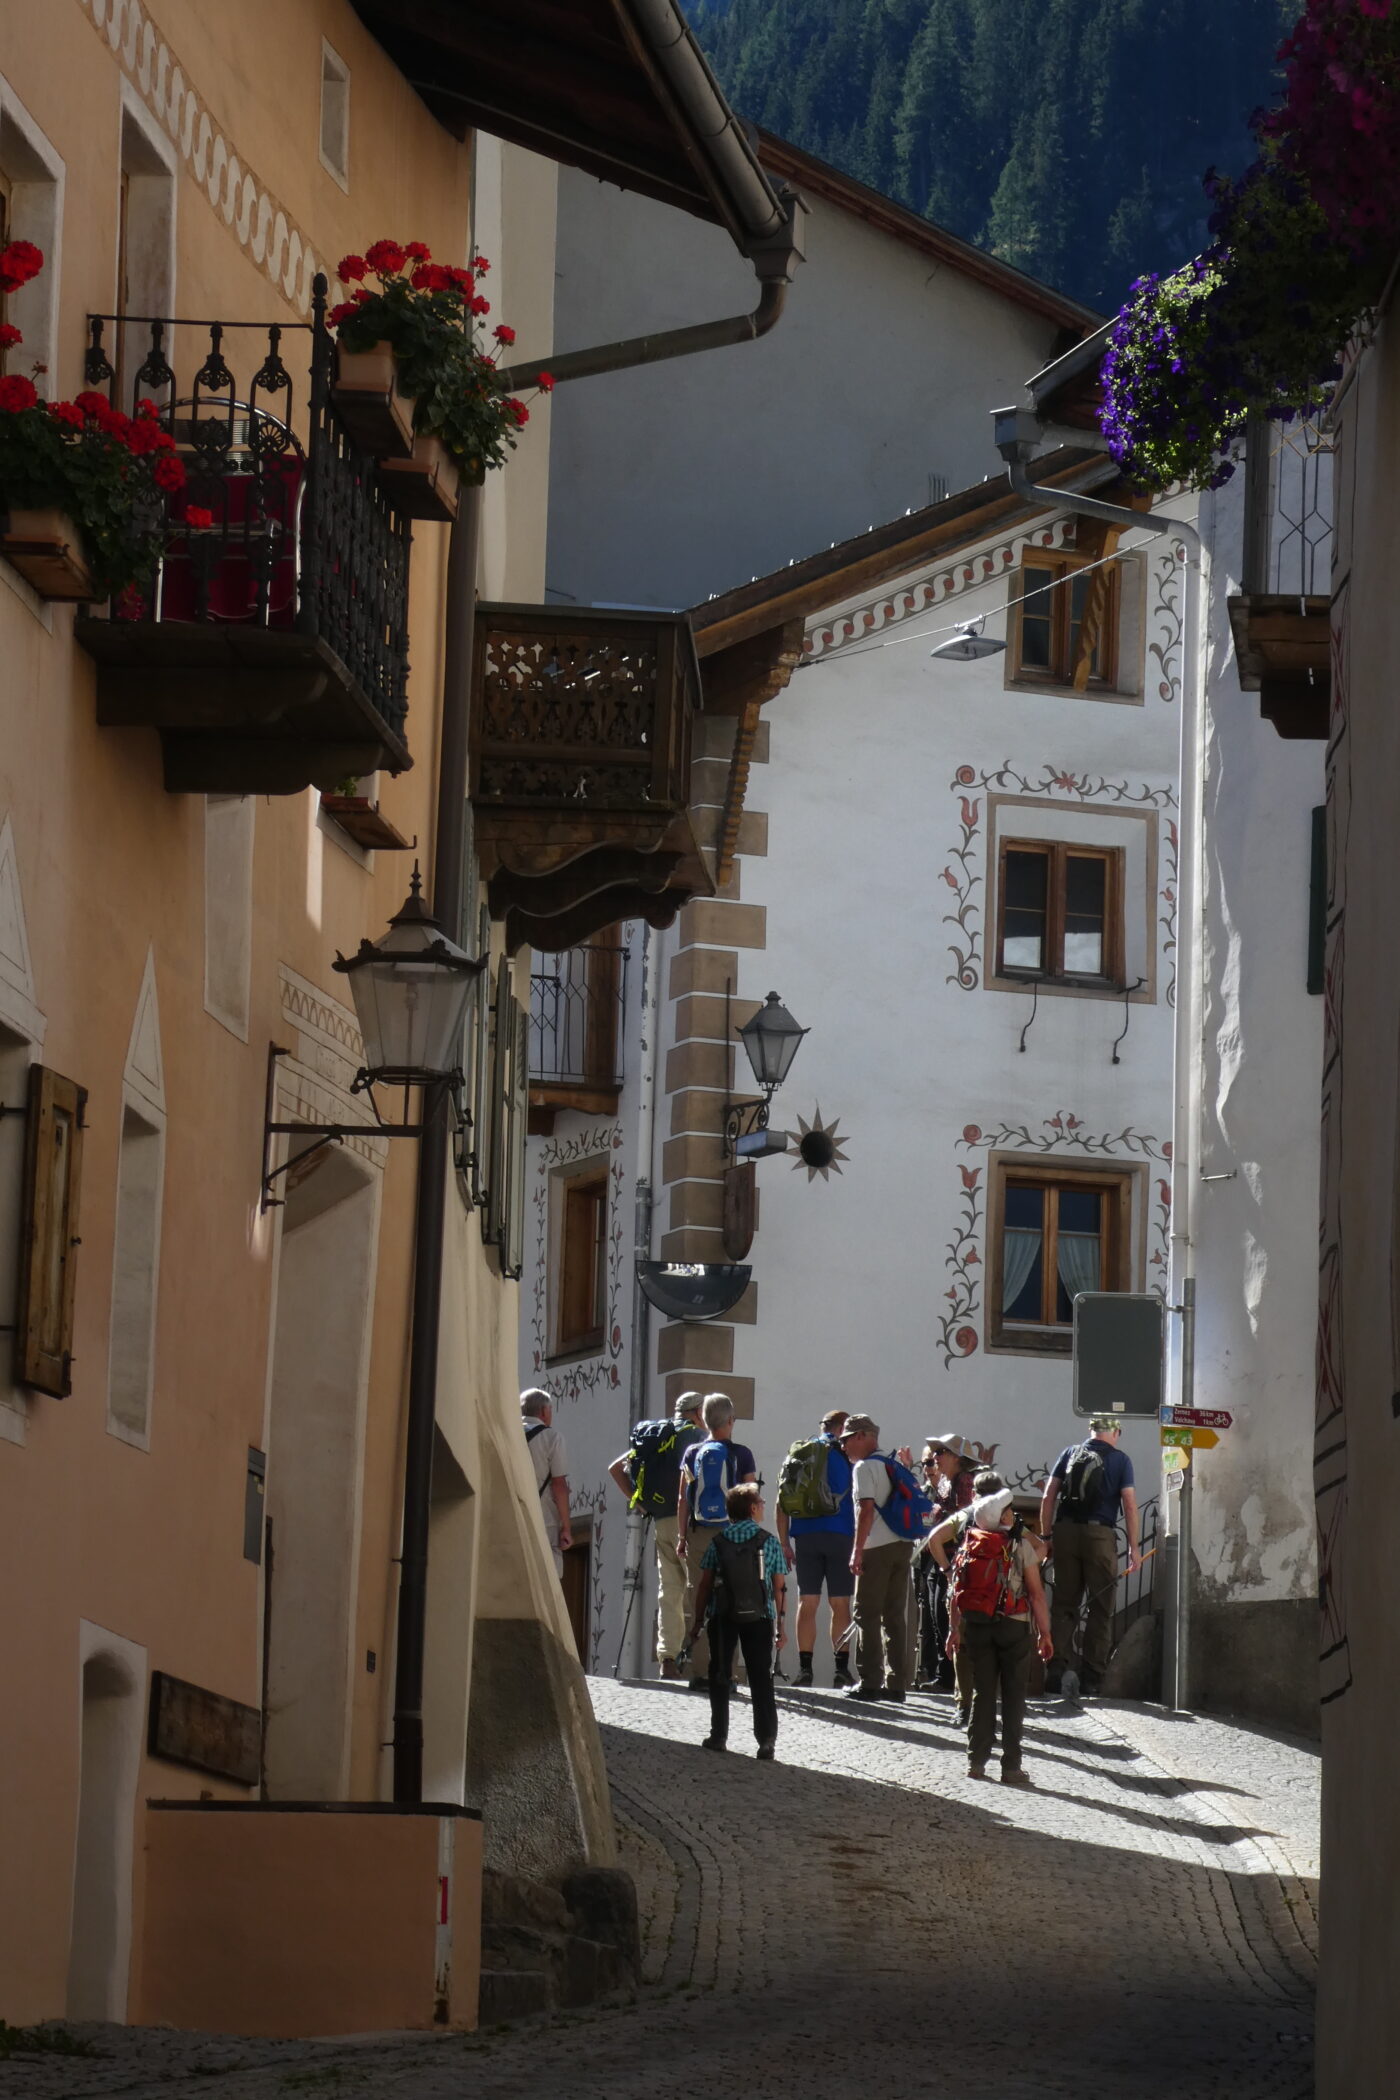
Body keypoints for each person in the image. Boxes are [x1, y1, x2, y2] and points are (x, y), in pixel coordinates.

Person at [947, 1487, 1052, 1785]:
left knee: (982, 1692)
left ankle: (976, 1762)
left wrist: (954, 1630)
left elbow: (955, 1593)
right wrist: (1045, 1634)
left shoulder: (969, 1545)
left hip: (976, 1626)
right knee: (1013, 1696)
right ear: (1004, 1516)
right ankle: (1010, 1767)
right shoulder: (1019, 1546)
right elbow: (1036, 1594)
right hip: (1013, 1626)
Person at [1039, 1415, 1140, 1695]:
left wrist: (1047, 1537)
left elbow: (1049, 1496)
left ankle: (1055, 1669)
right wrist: (1134, 1548)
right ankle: (1093, 1677)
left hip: (1065, 1533)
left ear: (1091, 1430)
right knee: (1101, 1606)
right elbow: (1130, 1505)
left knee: (1064, 1603)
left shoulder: (1070, 1453)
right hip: (1100, 1536)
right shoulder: (1121, 1460)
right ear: (1116, 1432)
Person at [607, 1392, 705, 1679]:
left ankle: (668, 1659)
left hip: (661, 1520)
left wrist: (640, 1503)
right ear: (698, 1411)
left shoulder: (654, 1435)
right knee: (701, 1587)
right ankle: (701, 1660)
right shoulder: (698, 1435)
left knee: (669, 1590)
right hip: (689, 1522)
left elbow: (615, 1469)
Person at [687, 1482, 787, 1759]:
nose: (764, 1507)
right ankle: (766, 1740)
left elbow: (705, 1585)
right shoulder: (769, 1541)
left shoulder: (717, 1542)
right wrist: (781, 1625)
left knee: (719, 1672)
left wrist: (697, 1622)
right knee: (760, 1676)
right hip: (760, 1617)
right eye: (762, 1503)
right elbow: (778, 1586)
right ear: (753, 1509)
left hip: (723, 1614)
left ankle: (718, 1735)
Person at [676, 1393, 758, 1687]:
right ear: (731, 1421)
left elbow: (683, 1499)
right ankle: (727, 1673)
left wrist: (682, 1536)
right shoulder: (742, 1454)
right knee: (733, 1600)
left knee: (697, 1598)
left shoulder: (692, 1453)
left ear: (704, 1420)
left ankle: (699, 1672)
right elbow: (751, 1500)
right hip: (733, 1534)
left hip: (699, 1533)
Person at [774, 1406, 855, 1688]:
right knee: (840, 1603)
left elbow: (781, 1501)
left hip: (805, 1535)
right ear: (842, 1427)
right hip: (841, 1535)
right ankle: (841, 1670)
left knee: (807, 1602)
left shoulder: (799, 1454)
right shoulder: (846, 1456)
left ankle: (805, 1669)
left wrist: (784, 1542)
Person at [842, 1414, 918, 1703]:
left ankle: (871, 1681)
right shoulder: (892, 1463)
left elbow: (865, 1510)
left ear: (862, 1436)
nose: (845, 1446)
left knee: (866, 1613)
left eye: (847, 1440)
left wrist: (857, 1549)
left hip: (877, 1547)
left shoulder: (864, 1467)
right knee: (895, 1616)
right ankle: (897, 1683)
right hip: (902, 1545)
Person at [923, 1465, 1006, 1726]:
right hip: (998, 1590)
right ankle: (989, 1707)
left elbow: (934, 1538)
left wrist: (947, 1571)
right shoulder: (1008, 1517)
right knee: (995, 1648)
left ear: (974, 1492)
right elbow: (1036, 1549)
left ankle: (964, 1705)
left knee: (961, 1643)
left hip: (965, 1585)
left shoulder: (967, 1514)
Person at [915, 1434, 978, 1690]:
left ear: (956, 1458)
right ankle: (944, 1674)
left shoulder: (964, 1482)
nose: (935, 1458)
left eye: (941, 1453)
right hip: (940, 1557)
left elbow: (963, 1522)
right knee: (937, 1617)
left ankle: (951, 1678)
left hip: (954, 1557)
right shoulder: (944, 1483)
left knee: (947, 1617)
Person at [520, 1387, 571, 1577]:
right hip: (544, 1519)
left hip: (511, 1513)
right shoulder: (552, 1438)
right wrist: (566, 1527)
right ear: (544, 1411)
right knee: (548, 1575)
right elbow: (559, 1485)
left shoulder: (509, 1434)